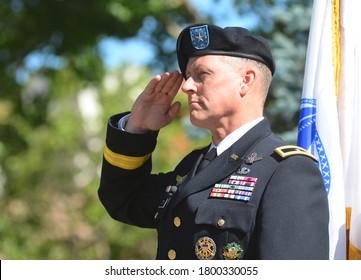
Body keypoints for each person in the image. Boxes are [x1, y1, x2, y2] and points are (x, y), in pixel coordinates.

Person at [98, 23, 329, 260]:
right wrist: (137, 129)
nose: (187, 86)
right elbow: (123, 199)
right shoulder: (193, 166)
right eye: (188, 76)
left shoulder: (286, 169)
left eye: (202, 75)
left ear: (246, 81)